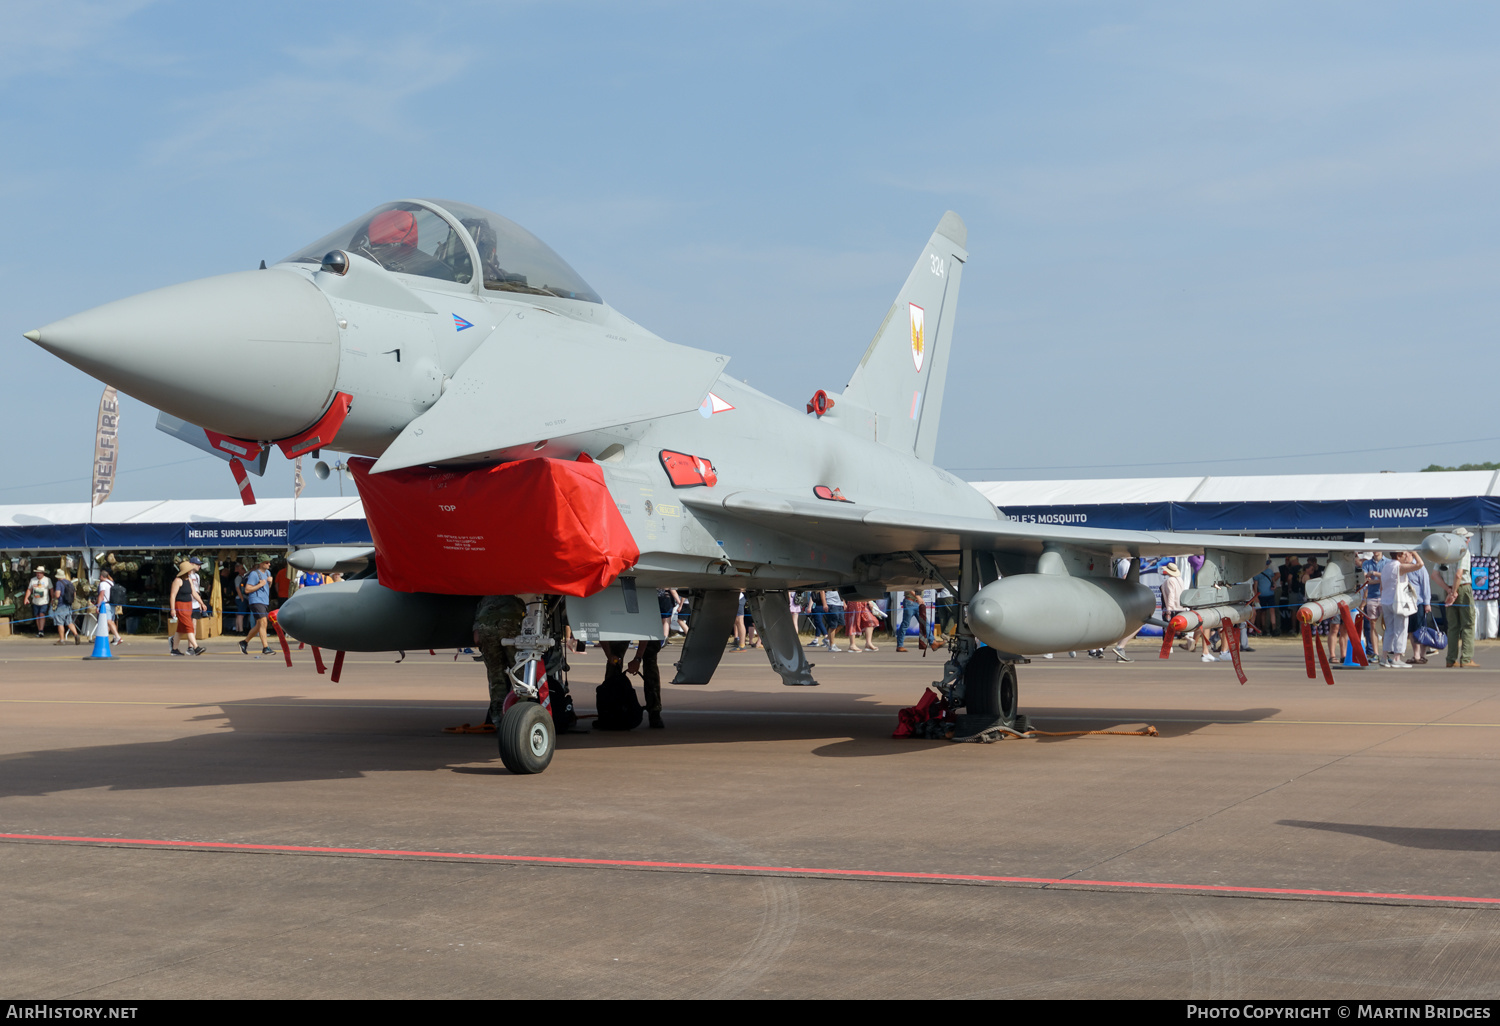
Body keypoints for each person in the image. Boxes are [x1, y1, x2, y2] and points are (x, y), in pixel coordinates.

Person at [1436, 527, 1478, 668]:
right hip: (1462, 588)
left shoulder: (1444, 553)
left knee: (1453, 626)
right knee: (1468, 624)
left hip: (1447, 588)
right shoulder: (1463, 551)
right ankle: (1466, 659)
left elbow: (1434, 575)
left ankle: (1451, 658)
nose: (1469, 540)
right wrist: (1454, 592)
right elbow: (1459, 574)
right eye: (1466, 538)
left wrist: (1448, 590)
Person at [1378, 550, 1425, 668]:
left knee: (1389, 629)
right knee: (1401, 629)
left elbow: (1381, 586)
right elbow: (1420, 564)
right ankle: (1397, 658)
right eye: (1404, 554)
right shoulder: (1399, 567)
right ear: (1399, 556)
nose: (1406, 556)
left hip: (1386, 601)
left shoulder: (1386, 567)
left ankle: (1384, 657)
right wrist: (1414, 553)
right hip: (1398, 602)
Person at [626, 639, 666, 729]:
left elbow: (647, 635)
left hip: (649, 635)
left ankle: (654, 711)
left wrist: (637, 658)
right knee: (614, 659)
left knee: (650, 662)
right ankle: (611, 710)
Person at [239, 556, 274, 655]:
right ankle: (265, 647)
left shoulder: (268, 573)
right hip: (256, 600)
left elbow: (266, 587)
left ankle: (244, 642)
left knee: (260, 625)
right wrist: (260, 584)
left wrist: (269, 583)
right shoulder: (254, 574)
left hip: (264, 601)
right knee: (263, 622)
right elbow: (247, 589)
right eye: (267, 562)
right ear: (261, 563)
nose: (269, 564)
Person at [168, 561, 204, 656]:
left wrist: (201, 603)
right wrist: (172, 609)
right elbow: (172, 596)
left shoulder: (189, 580)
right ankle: (196, 647)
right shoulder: (177, 581)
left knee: (181, 629)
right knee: (189, 626)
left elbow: (194, 593)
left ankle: (174, 649)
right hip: (180, 606)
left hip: (188, 605)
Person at [1407, 554, 1433, 665]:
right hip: (1407, 604)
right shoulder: (1402, 567)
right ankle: (1416, 654)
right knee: (1411, 630)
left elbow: (1425, 585)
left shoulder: (1420, 567)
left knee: (1420, 629)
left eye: (1405, 554)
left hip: (1419, 603)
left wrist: (1427, 603)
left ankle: (1421, 654)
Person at [93, 569, 123, 645]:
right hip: (112, 604)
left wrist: (98, 606)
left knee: (108, 621)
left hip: (106, 604)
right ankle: (110, 637)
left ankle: (117, 637)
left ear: (101, 576)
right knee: (111, 622)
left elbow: (101, 595)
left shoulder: (102, 584)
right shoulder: (111, 583)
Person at [52, 569, 81, 645]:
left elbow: (58, 595)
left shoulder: (59, 583)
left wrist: (54, 595)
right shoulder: (69, 582)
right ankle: (76, 634)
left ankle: (61, 640)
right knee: (69, 622)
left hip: (61, 605)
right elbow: (74, 594)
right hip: (68, 605)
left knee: (60, 623)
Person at [25, 566, 52, 637]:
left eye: (40, 573)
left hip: (44, 601)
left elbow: (51, 589)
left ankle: (41, 630)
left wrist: (53, 599)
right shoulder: (32, 580)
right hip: (35, 601)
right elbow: (29, 589)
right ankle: (39, 630)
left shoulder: (47, 580)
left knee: (42, 614)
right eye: (37, 573)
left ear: (43, 573)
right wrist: (26, 598)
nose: (38, 574)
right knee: (37, 616)